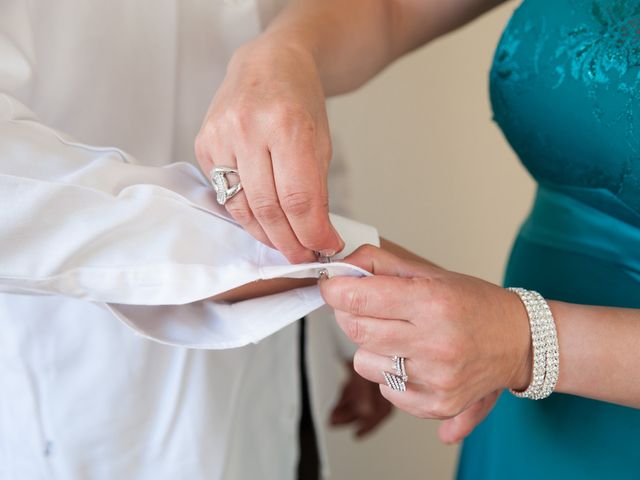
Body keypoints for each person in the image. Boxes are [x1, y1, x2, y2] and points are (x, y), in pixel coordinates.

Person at [203, 0, 640, 478]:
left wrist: (528, 342)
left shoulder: (513, 343)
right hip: (519, 389)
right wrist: (279, 55)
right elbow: (390, 11)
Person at [0, 1, 394, 479]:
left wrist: (353, 326)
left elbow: (293, 108)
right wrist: (347, 262)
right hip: (106, 373)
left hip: (289, 354)